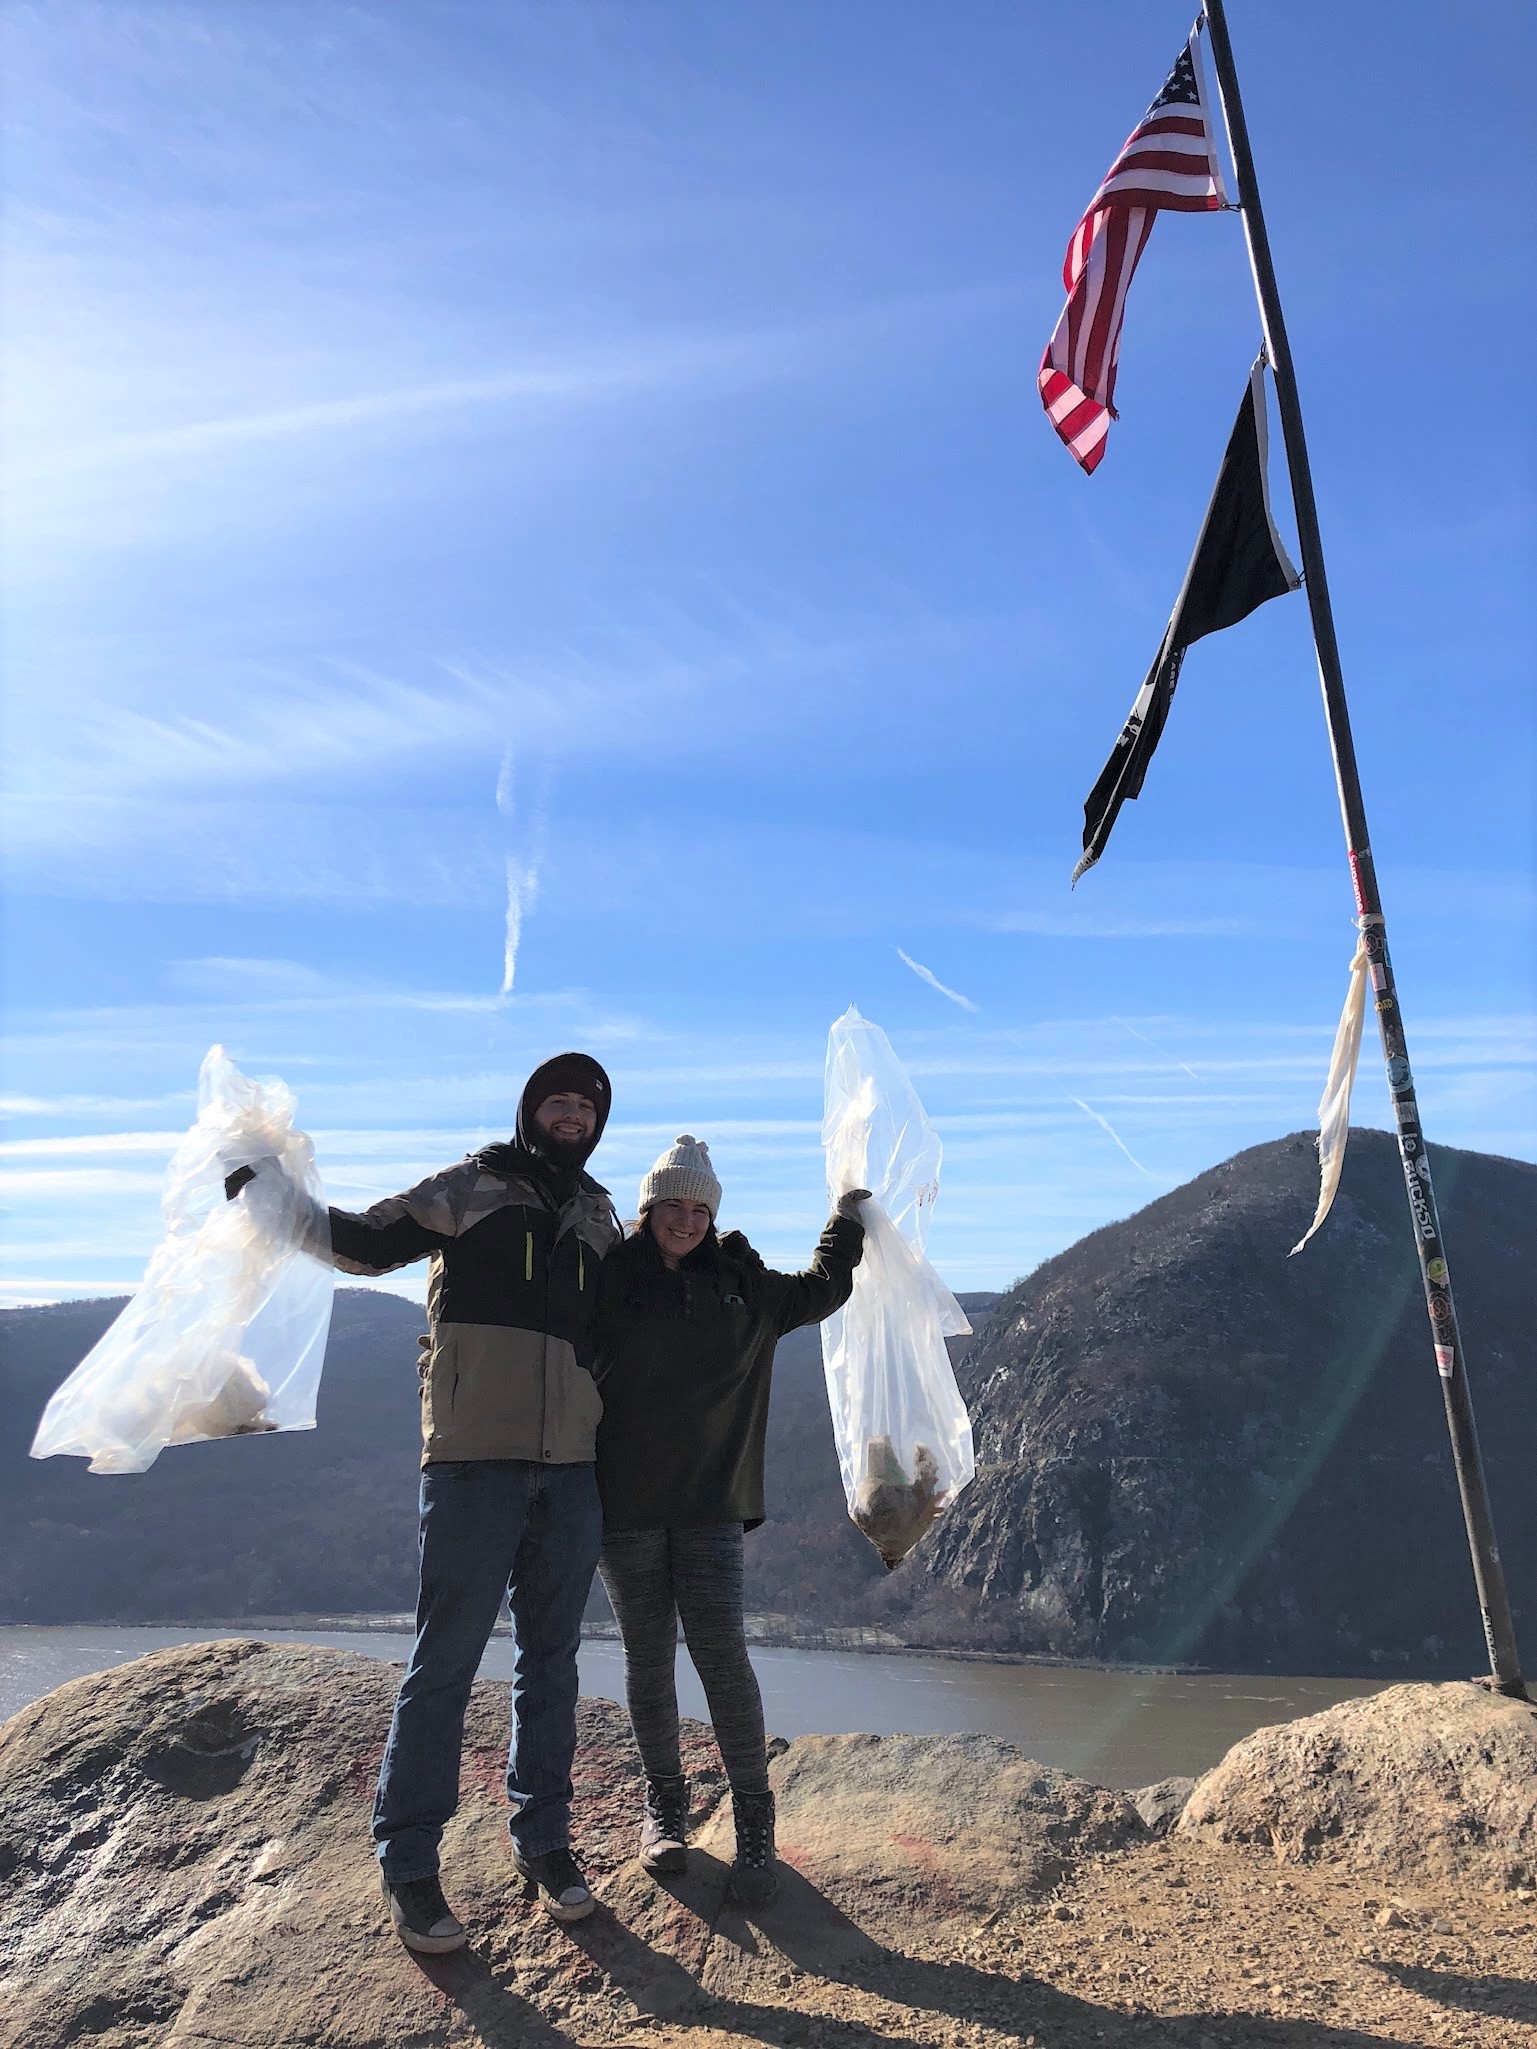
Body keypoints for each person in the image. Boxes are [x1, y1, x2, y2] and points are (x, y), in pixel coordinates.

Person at [228, 1051, 620, 1954]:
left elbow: (633, 1322)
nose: (571, 1115)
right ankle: (408, 1858)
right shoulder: (472, 1185)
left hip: (569, 1468)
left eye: (585, 1106)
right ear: (532, 1110)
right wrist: (271, 1198)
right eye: (557, 1101)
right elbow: (363, 1242)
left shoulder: (599, 1216)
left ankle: (545, 1840)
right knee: (443, 1663)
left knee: (552, 1660)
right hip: (473, 1463)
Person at [591, 1135, 866, 1906]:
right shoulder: (606, 1282)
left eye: (699, 1208)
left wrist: (846, 1217)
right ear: (647, 1212)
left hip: (712, 1507)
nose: (685, 1220)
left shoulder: (745, 1287)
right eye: (672, 1206)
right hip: (625, 1508)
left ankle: (753, 1826)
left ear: (713, 1216)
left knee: (720, 1658)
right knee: (647, 1661)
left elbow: (824, 1285)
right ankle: (665, 1810)